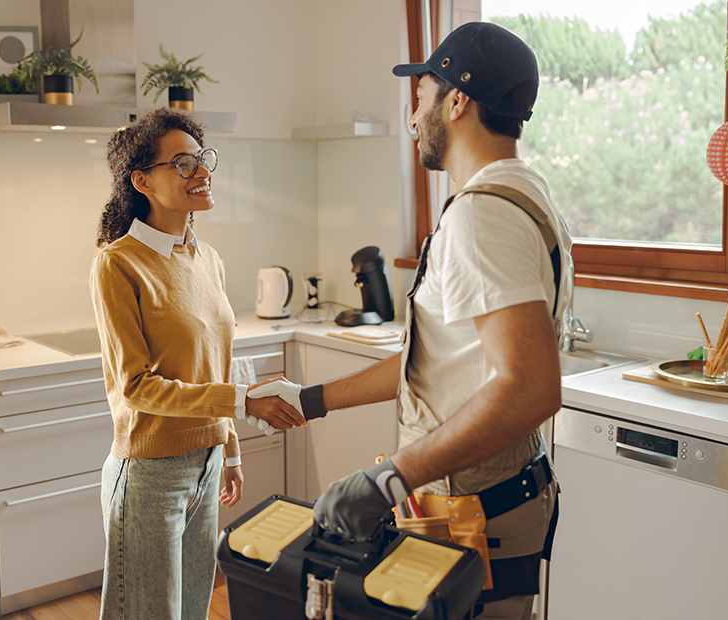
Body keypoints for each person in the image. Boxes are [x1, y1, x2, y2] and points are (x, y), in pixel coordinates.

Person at [267, 22, 573, 620]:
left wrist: (391, 478)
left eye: (420, 98)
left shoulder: (482, 216)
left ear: (457, 101)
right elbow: (440, 364)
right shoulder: (526, 194)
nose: (413, 119)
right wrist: (311, 399)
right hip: (493, 496)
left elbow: (532, 385)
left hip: (476, 507)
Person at [90, 107, 306, 620]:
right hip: (148, 476)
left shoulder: (208, 259)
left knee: (192, 612)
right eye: (182, 164)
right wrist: (242, 403)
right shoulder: (118, 264)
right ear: (142, 180)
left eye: (202, 159)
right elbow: (138, 387)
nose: (201, 172)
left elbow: (219, 364)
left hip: (207, 466)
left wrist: (229, 450)